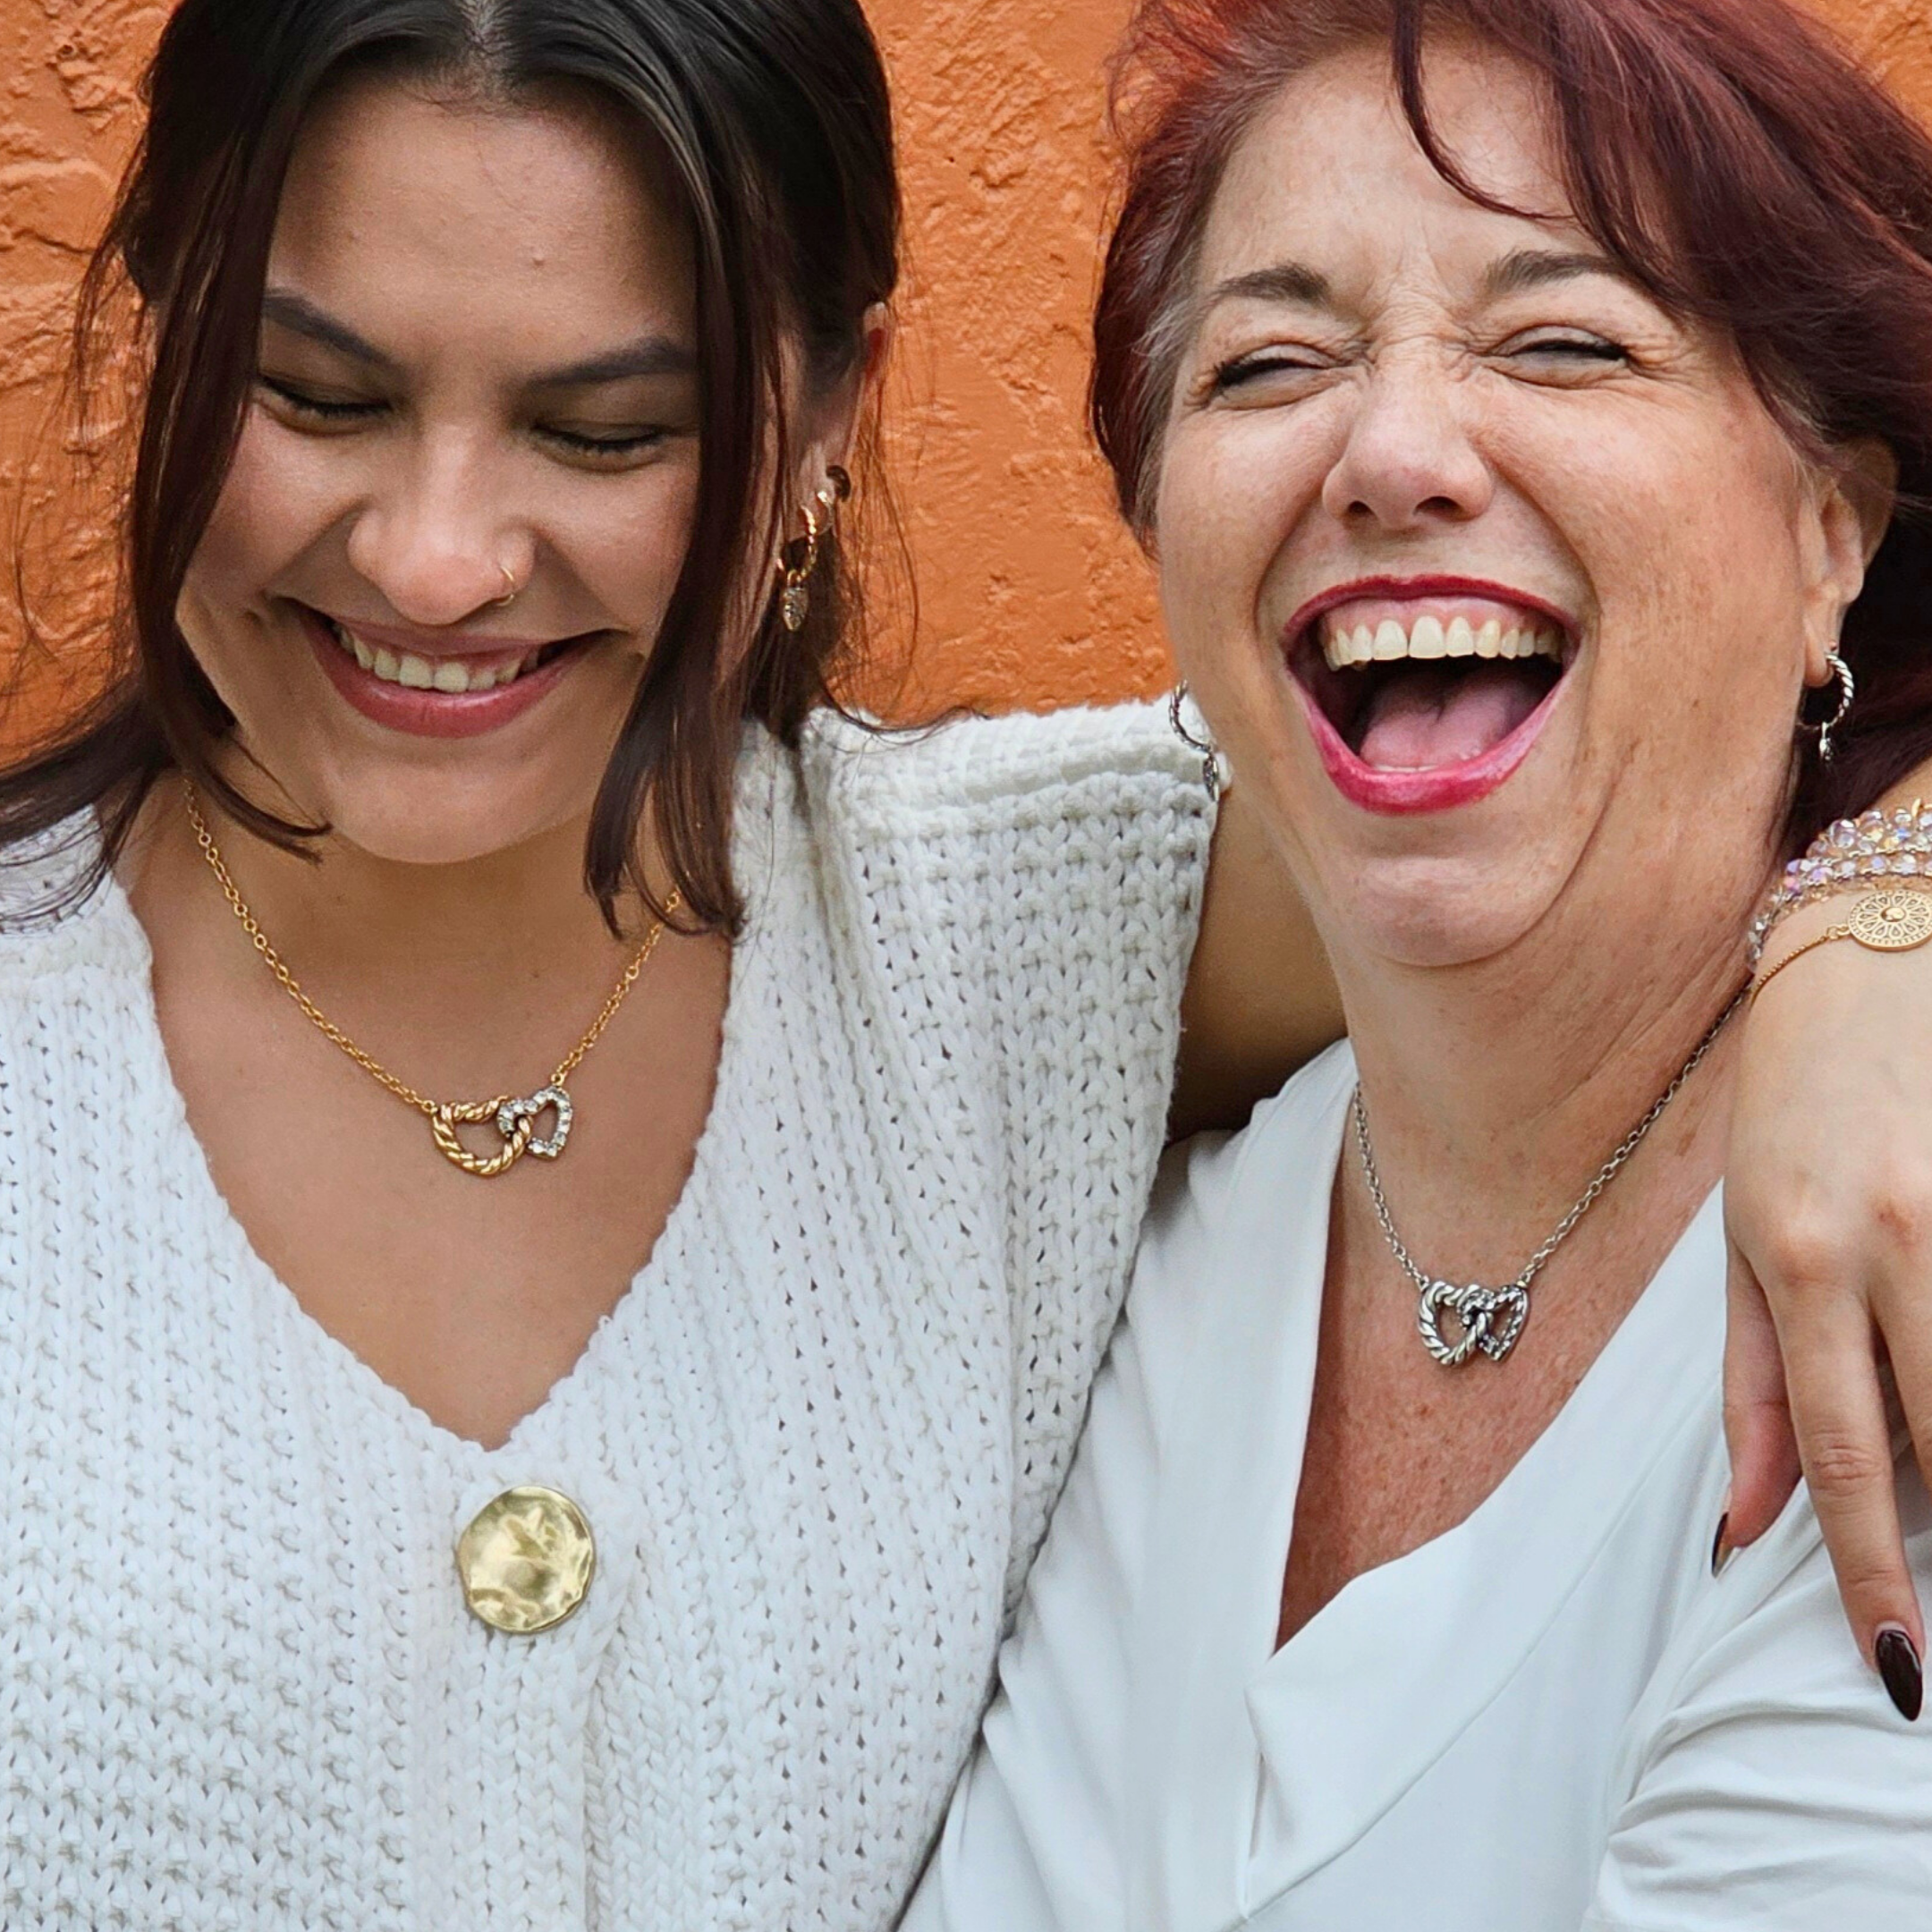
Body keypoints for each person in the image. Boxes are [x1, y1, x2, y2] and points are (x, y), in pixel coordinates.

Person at [0, 0, 1927, 1926]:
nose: (435, 559)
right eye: (314, 396)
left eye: (606, 429)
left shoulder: (1008, 933)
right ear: (160, 334)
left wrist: (1877, 916)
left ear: (831, 413)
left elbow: (1638, 767)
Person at [905, 0, 1932, 1926]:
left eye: (1561, 338)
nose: (1389, 452)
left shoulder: (1882, 1239)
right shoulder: (1131, 1250)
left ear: (1832, 534)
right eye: (1270, 362)